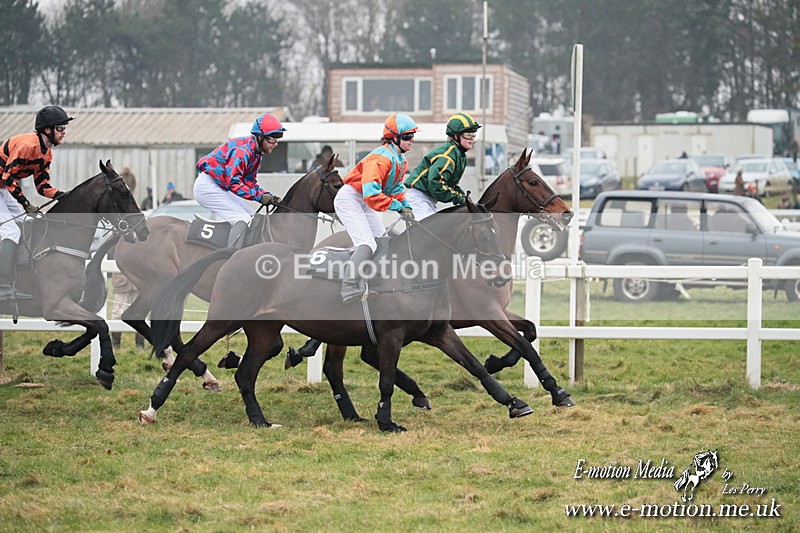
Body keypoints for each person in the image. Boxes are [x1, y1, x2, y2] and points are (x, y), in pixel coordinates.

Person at [334, 112, 417, 303]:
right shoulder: (381, 159)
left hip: (363, 200)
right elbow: (371, 194)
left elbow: (395, 188)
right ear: (394, 138)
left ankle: (373, 280)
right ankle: (348, 288)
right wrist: (397, 207)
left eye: (413, 136)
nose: (412, 140)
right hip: (350, 199)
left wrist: (405, 205)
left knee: (382, 239)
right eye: (407, 137)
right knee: (367, 244)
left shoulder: (400, 160)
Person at [0, 105, 73, 300]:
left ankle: (17, 277)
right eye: (60, 128)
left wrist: (62, 195)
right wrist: (25, 204)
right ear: (47, 130)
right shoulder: (27, 146)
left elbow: (42, 186)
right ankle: (3, 286)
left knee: (25, 224)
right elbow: (8, 179)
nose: (64, 132)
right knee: (11, 230)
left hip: (3, 189)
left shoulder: (46, 153)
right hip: (3, 185)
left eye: (65, 128)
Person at [194, 112, 284, 248]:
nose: (276, 144)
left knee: (253, 218)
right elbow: (234, 183)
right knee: (242, 219)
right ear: (260, 137)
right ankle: (231, 259)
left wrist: (268, 196)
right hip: (208, 187)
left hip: (220, 186)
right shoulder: (243, 151)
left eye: (278, 139)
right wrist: (259, 197)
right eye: (273, 139)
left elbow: (249, 183)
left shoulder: (256, 154)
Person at [404, 112, 479, 219]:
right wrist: (458, 198)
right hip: (418, 200)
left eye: (473, 135)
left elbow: (450, 184)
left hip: (429, 201)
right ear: (455, 136)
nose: (471, 139)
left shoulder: (458, 154)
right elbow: (436, 184)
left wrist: (463, 197)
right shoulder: (448, 156)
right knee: (427, 235)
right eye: (468, 135)